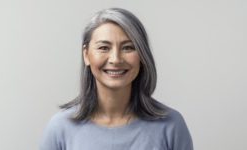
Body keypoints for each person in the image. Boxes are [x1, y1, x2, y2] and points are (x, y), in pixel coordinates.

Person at [40, 8, 193, 150]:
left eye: (128, 47)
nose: (115, 59)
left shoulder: (172, 125)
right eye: (104, 48)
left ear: (142, 56)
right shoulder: (60, 128)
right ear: (86, 55)